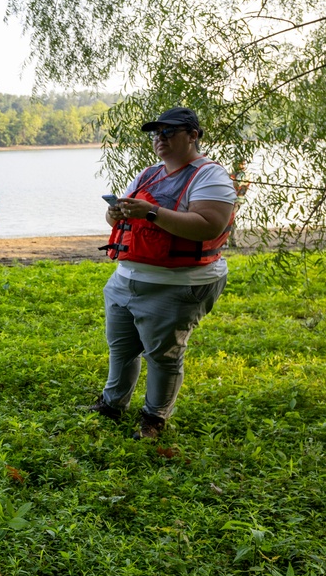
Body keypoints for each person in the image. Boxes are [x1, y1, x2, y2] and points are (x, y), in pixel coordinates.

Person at [92, 107, 236, 439]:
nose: (160, 138)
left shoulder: (210, 175)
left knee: (163, 355)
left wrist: (153, 212)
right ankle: (113, 404)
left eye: (169, 131)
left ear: (193, 135)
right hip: (127, 278)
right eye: (156, 133)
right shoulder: (148, 174)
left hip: (178, 283)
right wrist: (115, 213)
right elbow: (122, 221)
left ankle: (154, 418)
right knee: (121, 348)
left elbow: (208, 226)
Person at [228, 160, 250, 247]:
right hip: (233, 199)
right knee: (231, 219)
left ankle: (232, 240)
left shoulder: (242, 174)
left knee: (231, 219)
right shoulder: (234, 173)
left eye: (243, 163)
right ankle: (231, 240)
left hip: (236, 200)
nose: (242, 165)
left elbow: (237, 185)